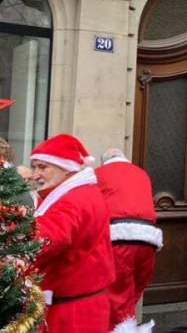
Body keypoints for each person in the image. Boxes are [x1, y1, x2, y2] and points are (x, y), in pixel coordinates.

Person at [30, 134, 115, 332]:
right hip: (76, 305)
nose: (35, 175)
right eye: (34, 167)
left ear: (66, 169)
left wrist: (12, 233)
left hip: (74, 313)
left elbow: (48, 238)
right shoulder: (76, 193)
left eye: (43, 167)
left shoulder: (73, 199)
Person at [95, 148, 162, 332]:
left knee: (117, 295)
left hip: (119, 237)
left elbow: (91, 206)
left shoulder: (98, 174)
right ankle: (127, 325)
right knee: (132, 294)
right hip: (148, 239)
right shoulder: (141, 173)